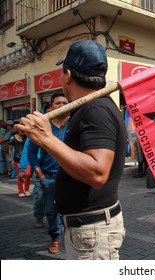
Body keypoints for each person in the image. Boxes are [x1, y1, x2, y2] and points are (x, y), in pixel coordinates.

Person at [16, 39, 127, 260]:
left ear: (67, 74)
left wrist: (46, 139)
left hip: (92, 232)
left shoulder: (96, 109)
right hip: (86, 230)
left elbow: (97, 172)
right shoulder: (87, 108)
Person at [27, 92, 69, 254]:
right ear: (51, 107)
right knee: (51, 210)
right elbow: (31, 153)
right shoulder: (43, 127)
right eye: (57, 103)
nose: (61, 106)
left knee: (72, 208)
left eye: (64, 103)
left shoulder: (74, 124)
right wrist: (40, 175)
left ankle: (70, 236)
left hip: (71, 176)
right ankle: (55, 238)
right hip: (49, 177)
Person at [9, 129, 31, 197]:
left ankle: (26, 190)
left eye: (24, 130)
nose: (23, 131)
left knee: (28, 174)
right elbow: (9, 149)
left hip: (27, 159)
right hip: (17, 159)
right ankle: (21, 191)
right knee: (20, 175)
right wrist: (12, 159)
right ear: (18, 130)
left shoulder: (27, 137)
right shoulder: (13, 138)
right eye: (21, 130)